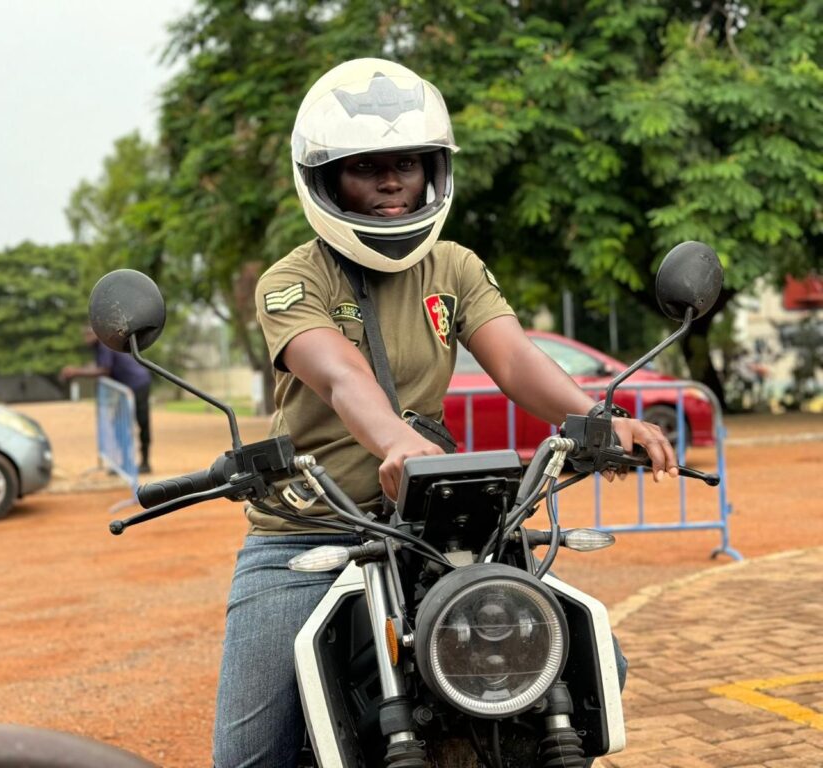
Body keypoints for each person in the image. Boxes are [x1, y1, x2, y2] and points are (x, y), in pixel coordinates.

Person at [212, 58, 678, 768]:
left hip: (433, 525)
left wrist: (598, 420)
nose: (393, 180)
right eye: (366, 166)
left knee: (592, 667)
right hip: (307, 530)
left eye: (408, 163)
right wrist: (397, 442)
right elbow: (339, 376)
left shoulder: (454, 267)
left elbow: (517, 361)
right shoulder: (293, 280)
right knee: (249, 754)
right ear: (324, 178)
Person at [59, 325, 153, 474]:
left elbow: (104, 370)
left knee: (141, 422)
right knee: (120, 424)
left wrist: (76, 371)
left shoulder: (105, 345)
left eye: (90, 334)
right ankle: (125, 463)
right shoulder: (99, 348)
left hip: (138, 384)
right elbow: (100, 367)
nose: (86, 338)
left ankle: (145, 462)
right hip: (127, 388)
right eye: (85, 334)